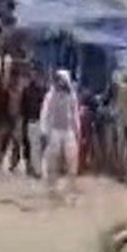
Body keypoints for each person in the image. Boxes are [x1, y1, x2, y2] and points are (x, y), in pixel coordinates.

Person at [40, 68, 83, 197]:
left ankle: (71, 186)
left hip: (68, 130)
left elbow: (75, 114)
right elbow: (45, 113)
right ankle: (52, 186)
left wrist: (78, 130)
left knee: (72, 159)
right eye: (58, 80)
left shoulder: (72, 96)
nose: (60, 82)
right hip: (54, 131)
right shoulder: (50, 95)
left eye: (62, 80)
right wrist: (44, 131)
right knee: (53, 159)